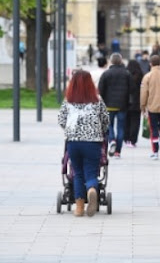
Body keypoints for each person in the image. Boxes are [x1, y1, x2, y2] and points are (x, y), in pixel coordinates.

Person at [58, 70, 109, 217]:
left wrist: (70, 130)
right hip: (93, 142)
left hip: (73, 142)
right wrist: (101, 130)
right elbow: (105, 120)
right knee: (91, 171)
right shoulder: (97, 100)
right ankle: (92, 190)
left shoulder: (68, 101)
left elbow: (61, 120)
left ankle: (79, 207)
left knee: (77, 172)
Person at [98, 53, 134, 158]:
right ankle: (118, 151)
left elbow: (100, 90)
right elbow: (132, 89)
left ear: (111, 61)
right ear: (121, 61)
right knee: (121, 128)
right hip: (122, 105)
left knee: (108, 125)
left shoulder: (106, 74)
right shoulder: (127, 74)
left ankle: (112, 140)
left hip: (109, 105)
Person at [124, 60, 144, 148]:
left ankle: (126, 138)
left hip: (126, 102)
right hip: (137, 102)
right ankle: (133, 140)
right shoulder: (141, 76)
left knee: (126, 121)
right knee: (135, 121)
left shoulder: (125, 75)